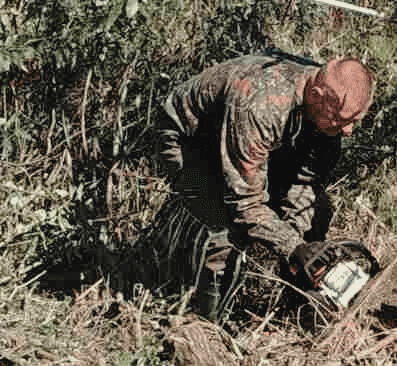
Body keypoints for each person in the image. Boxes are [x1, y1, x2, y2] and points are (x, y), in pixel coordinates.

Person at [152, 51, 375, 320]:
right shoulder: (261, 104)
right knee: (224, 227)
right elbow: (244, 204)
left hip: (248, 138)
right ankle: (203, 321)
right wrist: (292, 245)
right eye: (342, 119)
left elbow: (305, 183)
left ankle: (298, 302)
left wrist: (301, 245)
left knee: (319, 211)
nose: (348, 131)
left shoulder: (327, 109)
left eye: (354, 120)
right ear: (315, 95)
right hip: (191, 140)